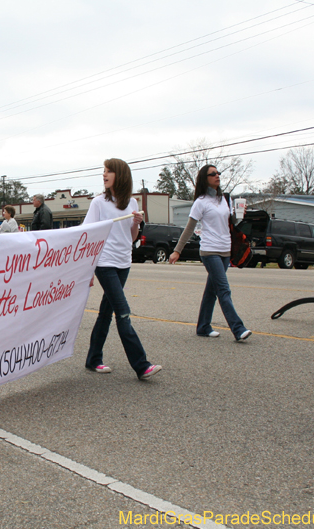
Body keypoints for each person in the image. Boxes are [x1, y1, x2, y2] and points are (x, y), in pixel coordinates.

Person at [83, 159, 162, 380]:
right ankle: (141, 365)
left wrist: (137, 222)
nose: (104, 175)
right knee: (123, 312)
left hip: (123, 262)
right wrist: (88, 271)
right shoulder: (99, 202)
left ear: (121, 175)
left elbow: (132, 237)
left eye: (108, 171)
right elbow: (87, 234)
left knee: (106, 313)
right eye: (103, 171)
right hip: (105, 263)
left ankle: (93, 359)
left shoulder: (132, 203)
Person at [169, 165, 252, 341]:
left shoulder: (224, 199)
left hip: (225, 251)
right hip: (209, 251)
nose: (217, 176)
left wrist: (239, 215)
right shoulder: (200, 202)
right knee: (223, 289)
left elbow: (229, 222)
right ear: (204, 178)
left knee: (211, 291)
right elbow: (189, 228)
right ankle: (238, 328)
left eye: (218, 173)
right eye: (212, 174)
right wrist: (177, 251)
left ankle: (203, 326)